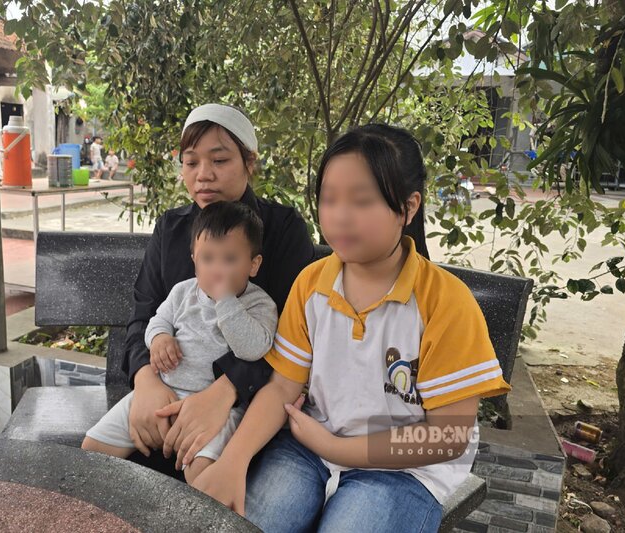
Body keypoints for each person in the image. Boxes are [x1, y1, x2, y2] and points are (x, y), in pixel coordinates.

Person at [192, 124, 511, 532]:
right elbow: (282, 388)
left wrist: (337, 447)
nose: (340, 216)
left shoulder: (445, 302)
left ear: (408, 208)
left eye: (362, 201)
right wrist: (233, 461)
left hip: (404, 470)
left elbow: (448, 435)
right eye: (329, 199)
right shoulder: (311, 285)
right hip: (306, 448)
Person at [117, 103, 316, 475]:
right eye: (191, 163)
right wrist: (144, 380)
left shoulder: (284, 229)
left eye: (219, 161)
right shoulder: (172, 230)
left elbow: (292, 338)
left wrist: (223, 393)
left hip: (250, 408)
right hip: (164, 394)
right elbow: (144, 313)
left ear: (250, 163)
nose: (203, 175)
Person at [82, 201, 278, 484]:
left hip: (217, 409)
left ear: (253, 264)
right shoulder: (182, 292)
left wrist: (226, 302)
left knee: (200, 472)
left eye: (229, 259)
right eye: (207, 259)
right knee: (92, 449)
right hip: (162, 391)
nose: (217, 270)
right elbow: (157, 321)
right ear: (194, 260)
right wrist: (160, 338)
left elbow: (253, 349)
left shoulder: (259, 305)